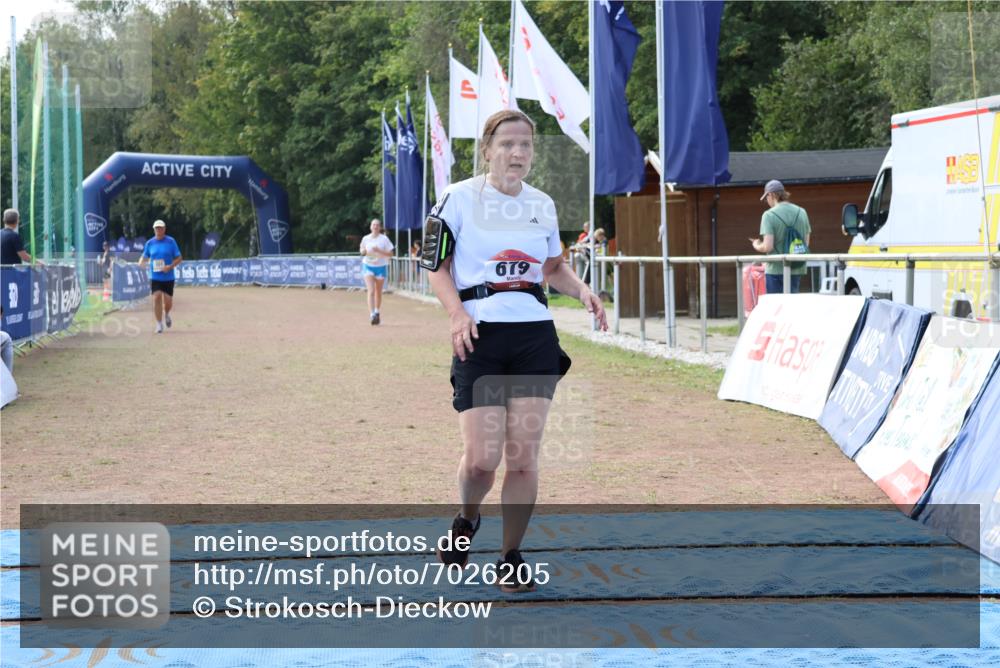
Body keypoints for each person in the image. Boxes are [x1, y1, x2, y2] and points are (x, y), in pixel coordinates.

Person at [422, 109, 607, 593]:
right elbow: (434, 266)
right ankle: (466, 519)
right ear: (487, 149)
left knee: (523, 458)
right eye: (507, 144)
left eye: (526, 145)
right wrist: (456, 314)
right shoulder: (457, 198)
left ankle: (510, 556)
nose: (518, 153)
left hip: (533, 338)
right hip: (479, 337)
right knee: (482, 458)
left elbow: (551, 269)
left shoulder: (542, 205)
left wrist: (583, 291)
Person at [751, 179, 811, 294]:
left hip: (776, 269)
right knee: (791, 306)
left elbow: (767, 247)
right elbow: (806, 243)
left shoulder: (768, 215)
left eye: (766, 197)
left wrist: (757, 245)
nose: (767, 201)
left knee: (776, 308)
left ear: (771, 195)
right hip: (796, 268)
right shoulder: (802, 212)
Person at [138, 220, 182, 334]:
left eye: (160, 228)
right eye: (156, 228)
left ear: (164, 229)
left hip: (168, 277)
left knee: (168, 302)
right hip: (155, 277)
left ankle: (166, 313)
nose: (158, 230)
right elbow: (144, 257)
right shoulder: (150, 243)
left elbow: (179, 258)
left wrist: (170, 266)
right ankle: (158, 324)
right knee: (156, 297)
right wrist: (141, 262)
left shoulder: (171, 241)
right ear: (154, 229)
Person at [359, 219, 394, 325]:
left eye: (377, 225)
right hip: (368, 266)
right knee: (371, 290)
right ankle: (372, 314)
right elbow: (361, 250)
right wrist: (364, 252)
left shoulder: (384, 239)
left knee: (378, 291)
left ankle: (377, 311)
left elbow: (391, 254)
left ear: (380, 227)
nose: (375, 227)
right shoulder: (366, 238)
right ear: (370, 227)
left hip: (381, 266)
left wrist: (379, 251)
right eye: (373, 225)